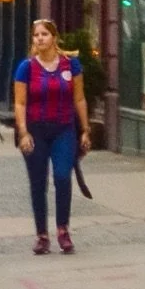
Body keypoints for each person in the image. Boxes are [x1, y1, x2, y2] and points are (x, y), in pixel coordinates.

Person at [13, 18, 91, 255]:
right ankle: (41, 235)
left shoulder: (71, 65)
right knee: (38, 182)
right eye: (36, 35)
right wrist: (23, 132)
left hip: (63, 128)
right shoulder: (26, 67)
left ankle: (63, 230)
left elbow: (79, 98)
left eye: (44, 34)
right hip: (36, 129)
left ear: (54, 37)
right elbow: (19, 102)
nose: (40, 39)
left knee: (62, 176)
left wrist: (85, 129)